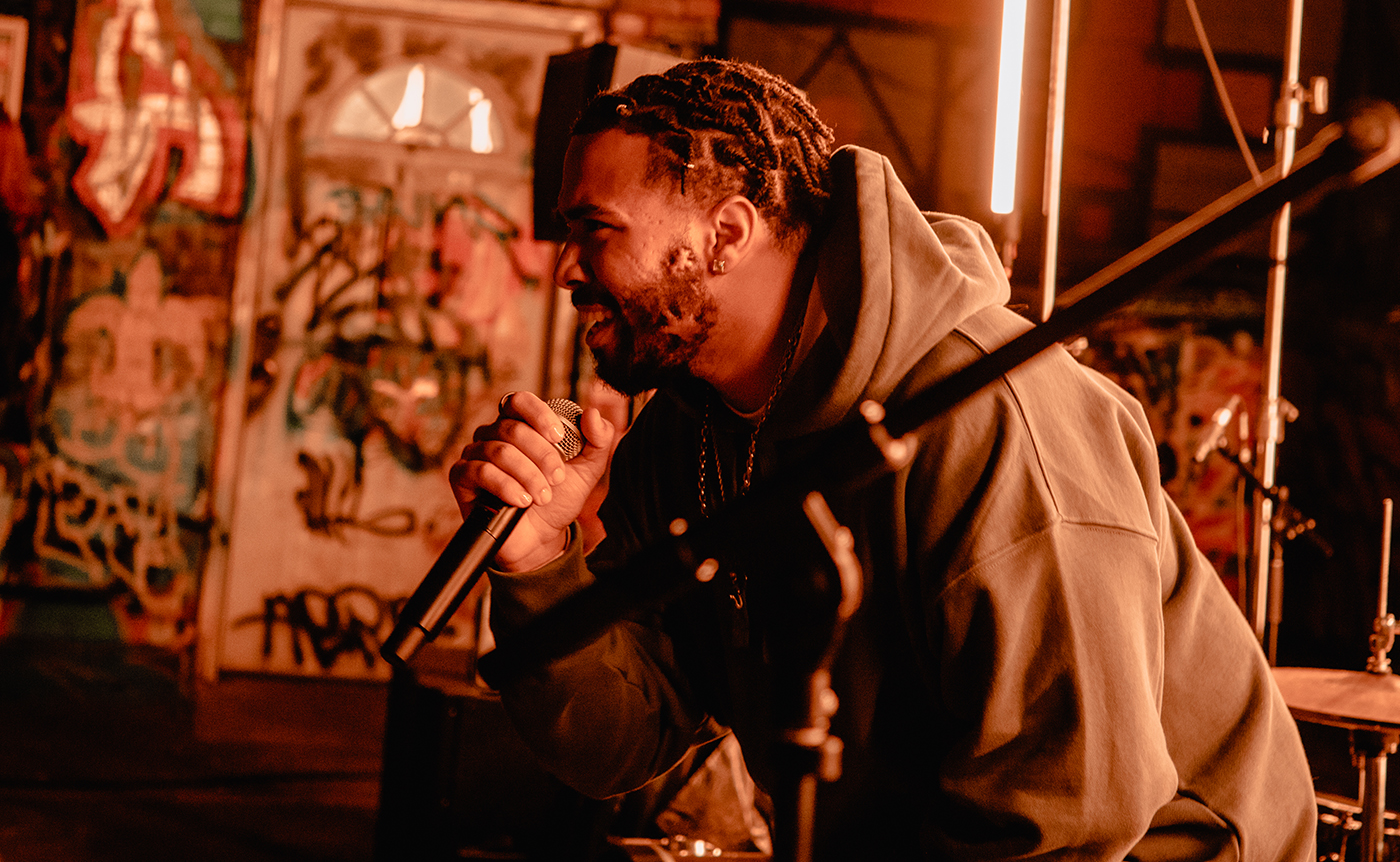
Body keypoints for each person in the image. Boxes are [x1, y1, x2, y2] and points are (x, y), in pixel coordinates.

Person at [449, 59, 1318, 861]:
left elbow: (1067, 819)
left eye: (594, 229)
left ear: (726, 234)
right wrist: (539, 560)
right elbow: (620, 742)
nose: (565, 268)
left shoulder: (994, 421)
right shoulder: (690, 434)